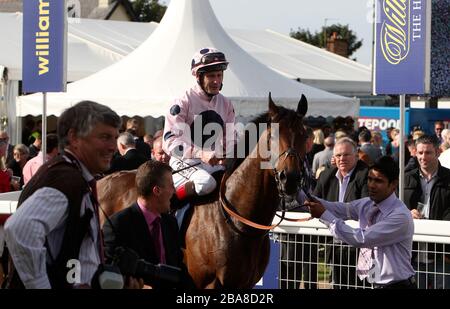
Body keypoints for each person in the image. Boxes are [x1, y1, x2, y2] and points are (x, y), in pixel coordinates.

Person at [4, 101, 141, 289]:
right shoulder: (65, 179)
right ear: (74, 137)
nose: (113, 147)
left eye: (114, 138)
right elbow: (20, 229)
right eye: (104, 137)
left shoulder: (72, 176)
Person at [305, 156, 416, 289]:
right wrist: (303, 196)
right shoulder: (367, 204)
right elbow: (337, 208)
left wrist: (324, 215)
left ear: (393, 184)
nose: (372, 185)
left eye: (378, 181)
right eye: (369, 179)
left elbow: (361, 238)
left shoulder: (400, 216)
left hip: (397, 285)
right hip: (375, 283)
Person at [103, 160, 194, 288]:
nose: (174, 191)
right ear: (157, 191)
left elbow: (179, 269)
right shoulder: (118, 225)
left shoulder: (170, 222)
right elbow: (110, 275)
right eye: (171, 185)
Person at [162, 47, 235, 203]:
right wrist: (201, 154)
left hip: (213, 165)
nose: (216, 81)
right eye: (211, 76)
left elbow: (230, 140)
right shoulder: (183, 101)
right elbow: (169, 142)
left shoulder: (226, 104)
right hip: (184, 162)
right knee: (205, 183)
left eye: (219, 75)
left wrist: (228, 153)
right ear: (198, 77)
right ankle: (168, 204)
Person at [313, 137, 369, 288]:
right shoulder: (326, 176)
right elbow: (314, 202)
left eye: (346, 155)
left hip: (358, 245)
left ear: (356, 155)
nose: (341, 159)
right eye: (338, 155)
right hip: (334, 244)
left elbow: (364, 208)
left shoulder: (365, 175)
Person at [404, 135, 450, 289]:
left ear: (437, 152)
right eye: (420, 153)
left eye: (428, 153)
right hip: (412, 250)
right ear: (415, 153)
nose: (423, 157)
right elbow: (395, 207)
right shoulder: (406, 178)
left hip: (441, 251)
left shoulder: (448, 178)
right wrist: (407, 212)